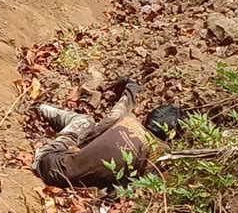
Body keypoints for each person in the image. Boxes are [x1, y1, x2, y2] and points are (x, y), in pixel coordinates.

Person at [29, 77, 183, 189]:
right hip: (76, 184)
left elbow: (99, 128)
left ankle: (39, 108)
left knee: (86, 122)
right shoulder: (160, 154)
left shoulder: (127, 119)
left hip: (47, 162)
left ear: (146, 117)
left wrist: (131, 89)